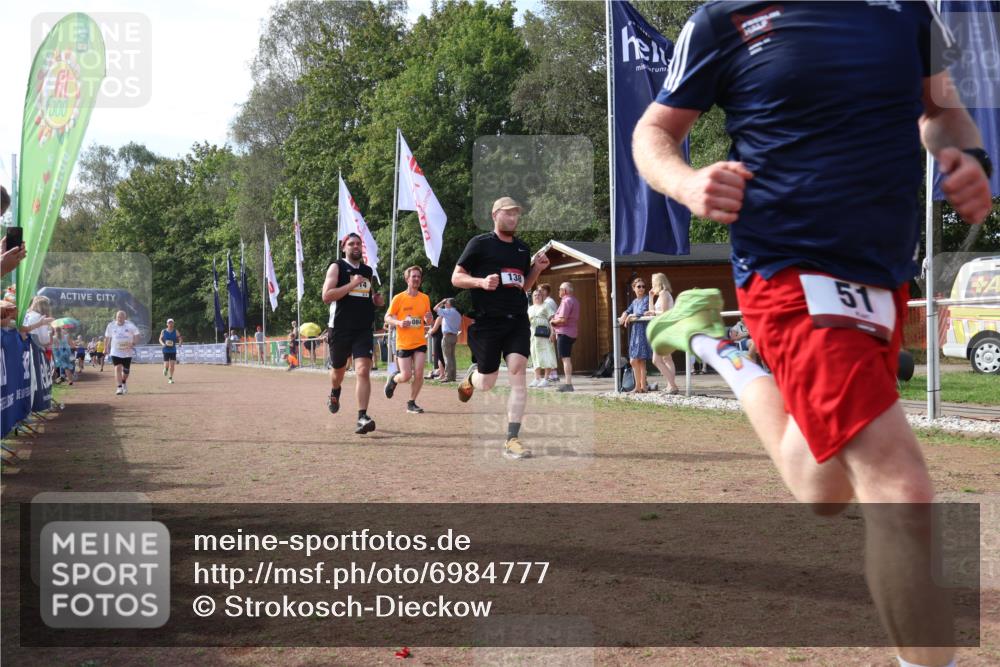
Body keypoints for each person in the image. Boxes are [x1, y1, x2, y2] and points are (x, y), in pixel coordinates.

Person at [634, 5, 991, 666]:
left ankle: (718, 346)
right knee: (900, 486)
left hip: (883, 273)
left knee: (823, 487)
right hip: (788, 268)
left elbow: (941, 108)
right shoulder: (724, 20)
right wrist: (687, 183)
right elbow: (653, 132)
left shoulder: (905, 12)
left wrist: (962, 155)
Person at [451, 196, 550, 459]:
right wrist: (481, 282)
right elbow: (456, 277)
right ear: (495, 215)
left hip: (516, 319)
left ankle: (512, 439)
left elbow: (523, 286)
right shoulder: (480, 244)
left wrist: (537, 270)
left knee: (518, 372)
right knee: (487, 383)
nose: (514, 218)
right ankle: (472, 378)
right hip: (488, 322)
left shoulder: (521, 249)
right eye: (509, 213)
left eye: (517, 214)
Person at [322, 232, 385, 434]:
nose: (355, 246)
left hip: (363, 329)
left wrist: (376, 301)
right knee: (338, 372)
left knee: (363, 371)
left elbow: (368, 296)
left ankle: (362, 417)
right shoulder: (336, 267)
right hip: (340, 328)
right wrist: (352, 284)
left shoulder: (367, 270)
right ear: (344, 248)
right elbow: (327, 296)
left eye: (358, 243)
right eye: (351, 244)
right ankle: (335, 391)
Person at [384, 266, 433, 413]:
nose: (417, 279)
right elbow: (387, 317)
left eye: (419, 276)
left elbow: (428, 320)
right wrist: (398, 322)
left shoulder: (425, 298)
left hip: (419, 341)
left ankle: (411, 402)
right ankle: (393, 379)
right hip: (403, 343)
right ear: (407, 279)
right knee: (405, 376)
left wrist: (428, 319)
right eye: (414, 276)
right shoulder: (399, 298)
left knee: (419, 373)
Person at [618, 276, 652, 393]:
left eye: (643, 286)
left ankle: (640, 386)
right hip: (635, 331)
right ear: (634, 288)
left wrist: (631, 316)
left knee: (635, 360)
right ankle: (642, 387)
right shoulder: (634, 301)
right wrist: (624, 314)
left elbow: (642, 311)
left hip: (642, 331)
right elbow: (628, 310)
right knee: (640, 361)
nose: (641, 288)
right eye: (639, 286)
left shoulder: (647, 299)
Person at [649, 273, 680, 394]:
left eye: (653, 283)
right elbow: (653, 311)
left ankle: (673, 385)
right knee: (667, 358)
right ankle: (670, 385)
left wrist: (652, 313)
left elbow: (665, 314)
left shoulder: (664, 294)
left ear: (658, 283)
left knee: (656, 360)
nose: (651, 285)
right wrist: (651, 297)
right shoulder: (662, 295)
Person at [550, 281, 580, 392]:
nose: (558, 291)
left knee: (566, 359)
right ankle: (568, 383)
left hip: (564, 333)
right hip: (571, 333)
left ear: (565, 291)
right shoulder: (574, 300)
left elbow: (562, 320)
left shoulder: (566, 301)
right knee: (566, 359)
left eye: (559, 289)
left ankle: (568, 384)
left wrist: (553, 322)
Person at [104, 310, 141, 395]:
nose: (120, 318)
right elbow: (107, 337)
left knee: (126, 371)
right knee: (117, 367)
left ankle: (123, 382)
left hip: (127, 352)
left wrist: (133, 343)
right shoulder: (111, 325)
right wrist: (106, 348)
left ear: (125, 318)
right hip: (115, 351)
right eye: (118, 317)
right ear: (116, 317)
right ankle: (119, 387)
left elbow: (137, 335)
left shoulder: (130, 325)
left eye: (121, 317)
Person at [527, 289, 557, 388]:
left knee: (547, 354)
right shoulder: (530, 308)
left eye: (539, 295)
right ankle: (537, 378)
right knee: (535, 355)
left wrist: (552, 333)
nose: (537, 296)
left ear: (542, 296)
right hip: (533, 336)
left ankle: (546, 379)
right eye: (535, 295)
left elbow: (552, 320)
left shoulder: (546, 306)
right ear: (532, 297)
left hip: (544, 335)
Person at [435, 298, 462, 382]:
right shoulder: (457, 313)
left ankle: (448, 376)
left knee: (447, 357)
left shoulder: (448, 311)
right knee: (452, 357)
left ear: (449, 304)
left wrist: (441, 302)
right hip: (454, 336)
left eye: (446, 303)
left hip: (447, 336)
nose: (445, 304)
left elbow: (435, 308)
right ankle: (453, 376)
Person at [538, 283, 559, 382]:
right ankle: (552, 374)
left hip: (549, 330)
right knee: (548, 351)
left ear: (546, 291)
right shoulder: (546, 301)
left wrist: (552, 332)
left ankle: (553, 375)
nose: (540, 292)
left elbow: (552, 317)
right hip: (547, 330)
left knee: (549, 352)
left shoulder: (549, 302)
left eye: (542, 290)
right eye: (539, 290)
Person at [159, 318, 182, 384]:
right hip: (166, 350)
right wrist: (163, 344)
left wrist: (180, 342)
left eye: (172, 323)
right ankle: (165, 369)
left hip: (173, 350)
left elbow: (180, 338)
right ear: (167, 324)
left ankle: (170, 378)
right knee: (166, 365)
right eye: (169, 323)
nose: (170, 324)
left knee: (172, 365)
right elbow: (160, 339)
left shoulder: (176, 331)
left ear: (173, 324)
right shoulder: (163, 331)